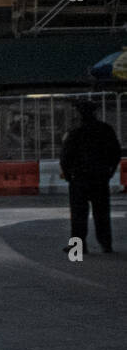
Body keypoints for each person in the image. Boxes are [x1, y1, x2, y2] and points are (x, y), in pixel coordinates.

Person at [60, 100, 122, 254]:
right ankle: (106, 244)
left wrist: (69, 176)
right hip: (100, 177)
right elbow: (116, 153)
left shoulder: (75, 131)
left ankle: (78, 246)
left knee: (78, 215)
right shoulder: (105, 130)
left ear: (80, 114)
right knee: (102, 213)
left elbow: (65, 157)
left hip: (79, 178)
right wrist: (110, 171)